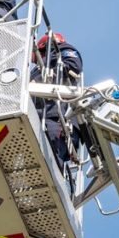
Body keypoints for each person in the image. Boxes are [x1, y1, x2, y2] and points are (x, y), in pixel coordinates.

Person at [30, 32, 83, 171]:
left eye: (38, 57)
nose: (38, 61)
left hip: (57, 119)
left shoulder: (63, 51)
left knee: (50, 159)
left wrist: (37, 81)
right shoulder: (41, 66)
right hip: (43, 116)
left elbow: (72, 65)